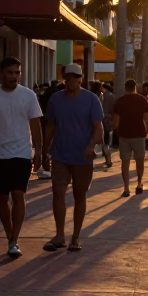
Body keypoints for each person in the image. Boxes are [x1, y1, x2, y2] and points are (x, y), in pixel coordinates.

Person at [0, 56, 42, 259]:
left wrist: (39, 151)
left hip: (21, 153)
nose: (14, 76)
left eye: (17, 72)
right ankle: (10, 235)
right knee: (1, 198)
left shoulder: (28, 95)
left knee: (18, 194)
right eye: (10, 72)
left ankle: (14, 240)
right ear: (1, 73)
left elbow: (35, 125)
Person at [41, 64, 104, 252]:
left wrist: (91, 146)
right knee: (58, 193)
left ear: (80, 79)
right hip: (60, 154)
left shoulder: (91, 99)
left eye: (74, 77)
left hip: (82, 156)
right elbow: (50, 126)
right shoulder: (55, 99)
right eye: (67, 77)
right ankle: (59, 235)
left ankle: (75, 237)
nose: (70, 81)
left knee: (79, 195)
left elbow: (98, 127)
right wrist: (44, 150)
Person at [113, 78, 148, 197]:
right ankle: (139, 183)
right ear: (135, 87)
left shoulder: (119, 101)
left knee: (125, 161)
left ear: (125, 88)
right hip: (139, 135)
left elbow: (115, 123)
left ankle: (126, 188)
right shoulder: (142, 100)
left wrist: (116, 131)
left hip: (124, 135)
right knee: (139, 160)